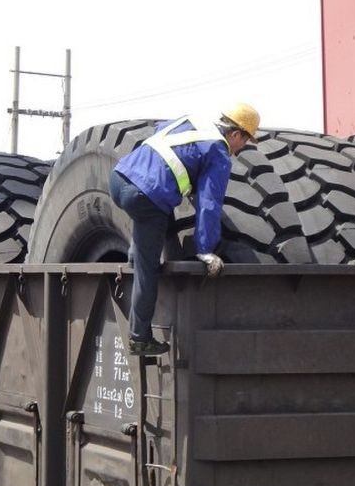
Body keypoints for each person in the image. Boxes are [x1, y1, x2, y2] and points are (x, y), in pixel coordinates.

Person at [108, 103, 260, 356]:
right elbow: (209, 204)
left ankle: (136, 253)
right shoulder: (219, 152)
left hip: (119, 178)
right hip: (146, 195)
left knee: (155, 219)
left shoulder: (192, 120)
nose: (240, 149)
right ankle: (139, 338)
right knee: (148, 269)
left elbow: (163, 140)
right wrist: (206, 250)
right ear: (235, 134)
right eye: (244, 142)